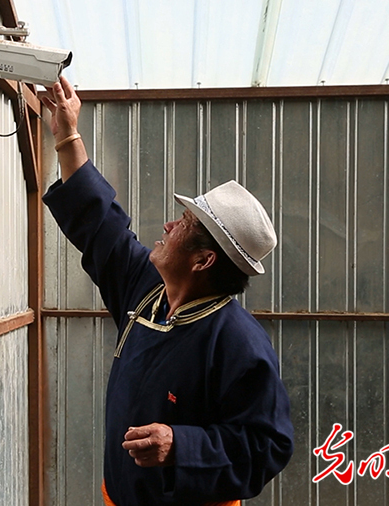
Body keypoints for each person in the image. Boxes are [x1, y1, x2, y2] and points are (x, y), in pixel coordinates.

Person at [40, 75, 294, 506]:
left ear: (203, 260)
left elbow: (267, 446)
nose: (168, 226)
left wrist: (180, 445)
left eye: (185, 225)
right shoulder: (149, 292)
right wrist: (67, 133)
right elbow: (103, 226)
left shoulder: (236, 340)